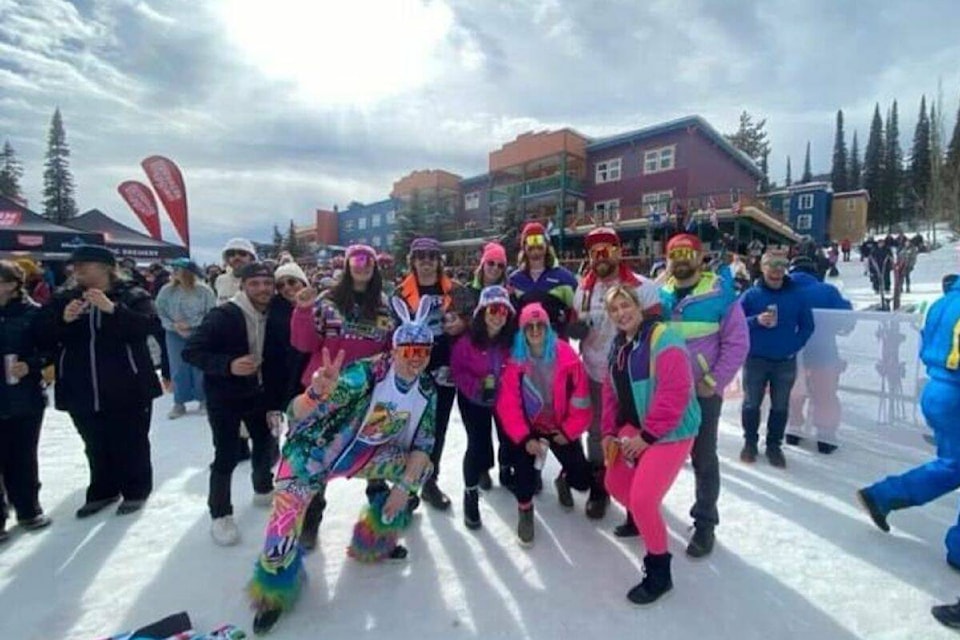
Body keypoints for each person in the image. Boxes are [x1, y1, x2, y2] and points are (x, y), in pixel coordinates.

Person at [247, 298, 437, 635]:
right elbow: (296, 413)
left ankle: (375, 541)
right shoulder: (368, 373)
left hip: (362, 455)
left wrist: (404, 489)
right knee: (283, 526)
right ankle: (274, 594)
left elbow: (423, 445)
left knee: (418, 469)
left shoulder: (426, 389)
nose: (415, 359)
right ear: (394, 351)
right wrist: (316, 393)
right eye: (408, 350)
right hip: (312, 456)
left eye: (423, 351)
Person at [289, 244, 395, 549]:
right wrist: (303, 311)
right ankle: (309, 522)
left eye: (368, 260)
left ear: (375, 267)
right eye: (356, 259)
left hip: (367, 395)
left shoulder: (385, 305)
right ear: (347, 264)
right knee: (317, 461)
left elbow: (390, 349)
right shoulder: (327, 301)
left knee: (374, 461)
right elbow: (303, 343)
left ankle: (379, 528)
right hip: (326, 393)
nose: (362, 265)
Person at [601, 284, 701, 604]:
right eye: (614, 310)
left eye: (625, 305)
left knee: (643, 500)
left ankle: (659, 573)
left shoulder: (662, 338)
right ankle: (640, 520)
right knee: (615, 482)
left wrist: (646, 438)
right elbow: (609, 393)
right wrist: (608, 433)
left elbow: (676, 391)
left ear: (638, 305)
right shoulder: (617, 346)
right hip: (636, 427)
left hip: (670, 431)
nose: (621, 313)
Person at [47, 245, 162, 517]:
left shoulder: (133, 294)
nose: (78, 270)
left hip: (127, 383)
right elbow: (44, 334)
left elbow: (149, 326)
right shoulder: (64, 297)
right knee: (94, 442)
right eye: (75, 266)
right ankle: (103, 490)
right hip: (80, 384)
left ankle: (136, 490)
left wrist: (113, 309)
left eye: (85, 264)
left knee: (131, 440)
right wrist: (64, 320)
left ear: (107, 267)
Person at [858, 276, 960, 570]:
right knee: (953, 465)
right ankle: (883, 496)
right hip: (955, 392)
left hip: (938, 389)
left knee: (952, 463)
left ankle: (883, 496)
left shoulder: (941, 303)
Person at [656, 233, 749, 557]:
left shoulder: (720, 294)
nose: (681, 259)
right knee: (657, 451)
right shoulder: (661, 293)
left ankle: (705, 522)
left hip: (703, 392)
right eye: (674, 253)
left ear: (700, 257)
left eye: (688, 252)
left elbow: (738, 343)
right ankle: (644, 508)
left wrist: (713, 380)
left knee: (703, 457)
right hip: (666, 391)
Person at [182, 263, 284, 546]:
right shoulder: (224, 315)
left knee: (265, 444)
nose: (263, 289)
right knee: (226, 454)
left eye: (267, 283)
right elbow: (191, 351)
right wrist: (228, 365)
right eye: (255, 283)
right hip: (225, 395)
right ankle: (220, 514)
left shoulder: (274, 312)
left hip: (262, 394)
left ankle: (263, 489)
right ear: (242, 286)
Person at [570, 226, 661, 521]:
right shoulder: (582, 290)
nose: (600, 257)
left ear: (619, 251)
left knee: (635, 433)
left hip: (634, 378)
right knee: (597, 433)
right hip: (595, 373)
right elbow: (572, 325)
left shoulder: (643, 288)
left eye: (606, 249)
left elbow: (658, 332)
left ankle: (640, 494)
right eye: (594, 252)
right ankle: (600, 487)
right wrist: (572, 329)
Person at [495, 303, 602, 546]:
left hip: (560, 425)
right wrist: (525, 438)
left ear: (548, 327)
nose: (535, 330)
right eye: (529, 326)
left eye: (540, 325)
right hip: (530, 429)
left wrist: (568, 431)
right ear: (522, 331)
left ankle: (564, 479)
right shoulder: (515, 360)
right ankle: (525, 510)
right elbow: (508, 405)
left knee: (583, 481)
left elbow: (581, 399)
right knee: (525, 480)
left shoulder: (566, 355)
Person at [394, 237, 463, 511]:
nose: (426, 261)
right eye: (420, 256)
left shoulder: (455, 290)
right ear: (413, 260)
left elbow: (469, 324)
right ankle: (407, 485)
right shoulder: (400, 293)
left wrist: (460, 328)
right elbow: (393, 333)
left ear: (439, 261)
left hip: (446, 370)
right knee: (408, 431)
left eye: (431, 256)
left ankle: (430, 482)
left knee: (437, 430)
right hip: (412, 372)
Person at [739, 249, 815, 468]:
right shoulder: (752, 295)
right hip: (755, 360)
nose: (777, 271)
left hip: (785, 361)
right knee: (752, 403)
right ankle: (750, 443)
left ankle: (774, 446)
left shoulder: (797, 295)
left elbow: (808, 326)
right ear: (762, 268)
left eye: (781, 266)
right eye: (772, 266)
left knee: (780, 405)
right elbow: (734, 322)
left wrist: (793, 345)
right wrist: (755, 320)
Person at [451, 285, 517, 530]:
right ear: (482, 311)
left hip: (503, 399)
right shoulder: (466, 342)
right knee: (477, 444)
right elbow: (458, 372)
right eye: (493, 308)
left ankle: (506, 470)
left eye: (503, 310)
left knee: (509, 437)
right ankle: (470, 493)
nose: (498, 314)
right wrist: (477, 387)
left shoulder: (510, 340)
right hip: (473, 400)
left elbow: (519, 367)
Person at [452, 241, 513, 489]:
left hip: (501, 379)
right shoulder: (466, 292)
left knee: (507, 429)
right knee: (478, 434)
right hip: (474, 372)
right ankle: (482, 467)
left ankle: (508, 466)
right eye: (491, 262)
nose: (495, 268)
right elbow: (459, 364)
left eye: (500, 264)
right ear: (482, 263)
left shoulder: (510, 295)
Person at [0, 261, 53, 541]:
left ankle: (28, 509)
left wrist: (30, 365)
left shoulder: (32, 314)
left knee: (22, 455)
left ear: (11, 284)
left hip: (24, 396)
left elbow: (49, 350)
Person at [785, 256, 853, 454]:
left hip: (791, 352)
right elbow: (847, 320)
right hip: (824, 353)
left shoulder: (783, 290)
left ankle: (793, 430)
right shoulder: (827, 291)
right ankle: (825, 436)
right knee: (826, 394)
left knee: (792, 394)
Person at [154, 258, 216, 419]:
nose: (174, 273)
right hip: (174, 334)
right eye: (173, 269)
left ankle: (203, 400)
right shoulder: (166, 291)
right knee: (178, 367)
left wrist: (191, 324)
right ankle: (179, 402)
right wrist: (173, 325)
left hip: (199, 333)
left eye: (178, 269)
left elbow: (211, 312)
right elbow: (160, 311)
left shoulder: (204, 291)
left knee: (199, 367)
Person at [507, 222, 579, 338]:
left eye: (540, 243)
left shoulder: (565, 278)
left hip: (556, 344)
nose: (535, 249)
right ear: (524, 247)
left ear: (547, 245)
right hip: (524, 345)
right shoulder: (514, 279)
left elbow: (577, 311)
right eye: (530, 244)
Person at [214, 238, 258, 304]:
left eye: (242, 253)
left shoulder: (260, 281)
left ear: (251, 258)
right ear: (227, 259)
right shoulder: (220, 280)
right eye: (231, 254)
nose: (237, 257)